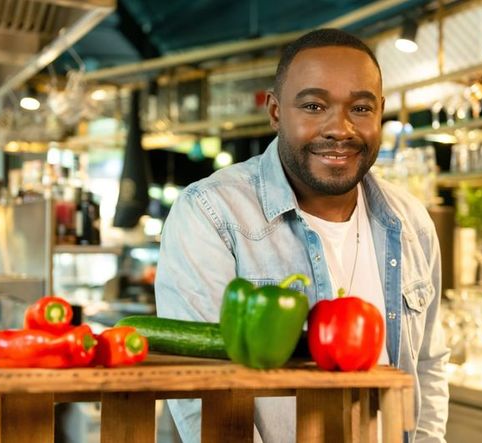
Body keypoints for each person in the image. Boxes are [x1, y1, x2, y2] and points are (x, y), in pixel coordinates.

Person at [155, 28, 450, 442]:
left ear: (380, 112)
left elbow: (429, 367)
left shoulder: (411, 223)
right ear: (276, 112)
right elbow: (202, 394)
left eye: (361, 108)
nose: (340, 129)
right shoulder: (212, 214)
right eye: (314, 105)